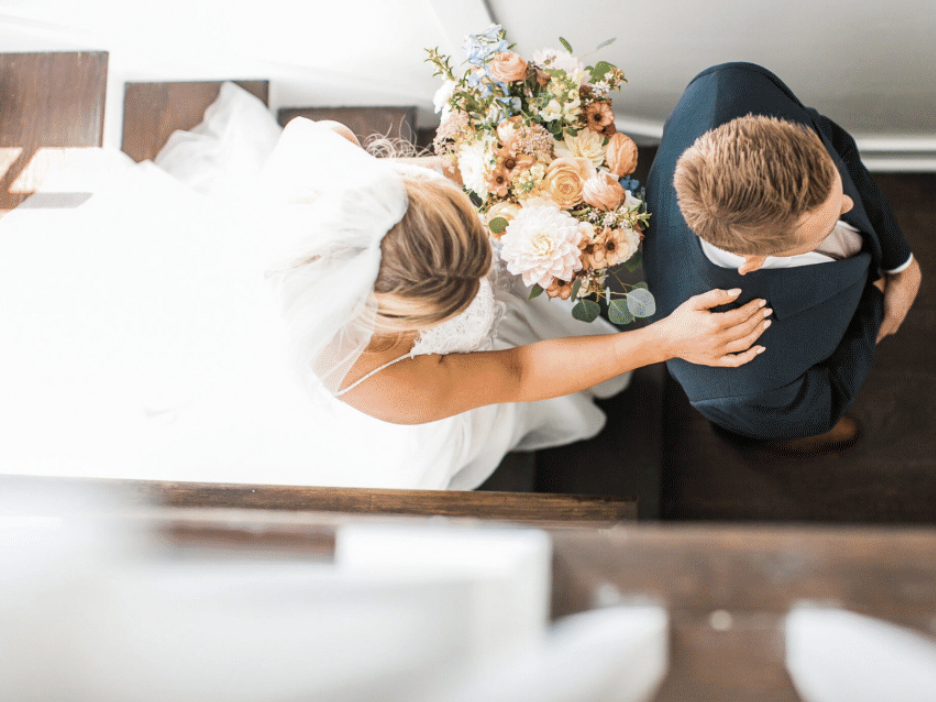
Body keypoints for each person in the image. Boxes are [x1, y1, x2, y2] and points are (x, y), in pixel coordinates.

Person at [0, 83, 769, 490]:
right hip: (451, 382)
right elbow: (513, 370)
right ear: (396, 320)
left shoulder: (335, 169)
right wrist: (662, 340)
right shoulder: (374, 379)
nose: (485, 281)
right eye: (461, 290)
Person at [643, 62, 922, 453]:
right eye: (824, 226)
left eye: (834, 185)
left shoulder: (734, 86)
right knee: (763, 428)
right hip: (772, 407)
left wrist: (900, 263)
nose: (848, 203)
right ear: (752, 260)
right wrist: (875, 303)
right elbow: (822, 405)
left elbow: (836, 144)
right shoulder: (744, 385)